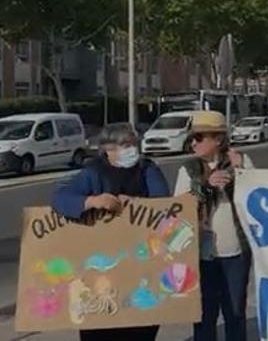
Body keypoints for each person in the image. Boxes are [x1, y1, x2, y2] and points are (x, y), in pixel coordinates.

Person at [51, 123, 168, 341]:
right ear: (108, 149)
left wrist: (136, 204)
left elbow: (164, 203)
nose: (132, 149)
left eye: (134, 143)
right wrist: (91, 201)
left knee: (141, 325)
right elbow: (60, 199)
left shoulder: (147, 169)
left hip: (140, 262)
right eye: (125, 144)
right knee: (100, 326)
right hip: (100, 265)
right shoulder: (92, 173)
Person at [174, 111, 253, 341]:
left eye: (199, 137)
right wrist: (206, 187)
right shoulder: (187, 169)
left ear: (218, 139)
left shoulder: (241, 161)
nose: (193, 143)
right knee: (204, 314)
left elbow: (257, 199)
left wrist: (243, 173)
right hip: (201, 254)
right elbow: (179, 208)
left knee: (235, 311)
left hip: (235, 251)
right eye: (192, 138)